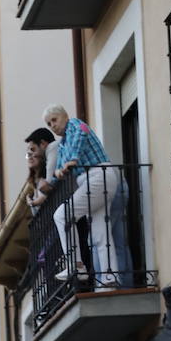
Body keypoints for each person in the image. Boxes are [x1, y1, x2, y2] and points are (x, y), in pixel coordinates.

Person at [43, 103, 121, 287]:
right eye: (49, 124)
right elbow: (59, 169)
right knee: (100, 233)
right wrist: (54, 178)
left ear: (64, 116)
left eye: (54, 120)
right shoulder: (63, 145)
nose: (53, 126)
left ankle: (76, 265)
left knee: (62, 215)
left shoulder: (75, 125)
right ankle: (110, 276)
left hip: (98, 176)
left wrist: (73, 160)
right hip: (95, 180)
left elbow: (82, 133)